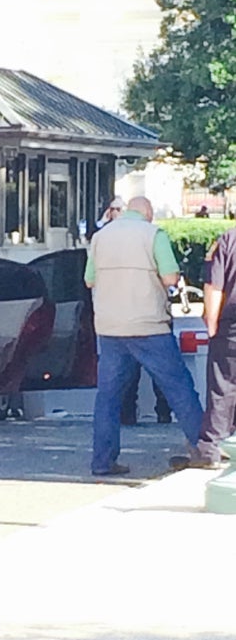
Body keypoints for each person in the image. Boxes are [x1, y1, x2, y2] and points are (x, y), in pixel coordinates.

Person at [84, 196, 204, 475]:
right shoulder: (154, 234)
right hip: (149, 326)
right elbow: (171, 278)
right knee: (179, 387)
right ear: (148, 214)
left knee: (108, 398)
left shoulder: (100, 238)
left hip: (110, 328)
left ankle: (102, 461)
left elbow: (89, 280)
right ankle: (203, 447)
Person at [192, 226, 236, 467]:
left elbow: (214, 286)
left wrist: (211, 322)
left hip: (231, 326)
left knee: (223, 387)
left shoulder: (227, 241)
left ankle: (212, 449)